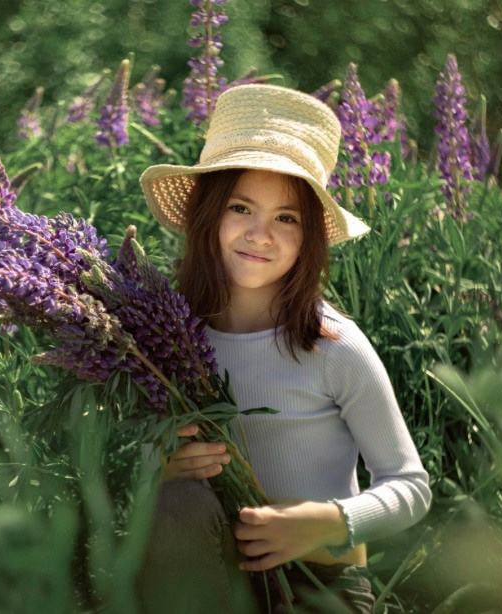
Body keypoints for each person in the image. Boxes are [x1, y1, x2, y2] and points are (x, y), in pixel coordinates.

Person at [135, 84, 432, 613]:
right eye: (241, 208)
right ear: (207, 215)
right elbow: (131, 464)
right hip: (206, 577)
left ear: (310, 236)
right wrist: (162, 467)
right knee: (175, 502)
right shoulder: (167, 340)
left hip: (323, 585)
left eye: (286, 218)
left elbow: (410, 485)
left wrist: (329, 522)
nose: (260, 234)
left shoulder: (332, 344)